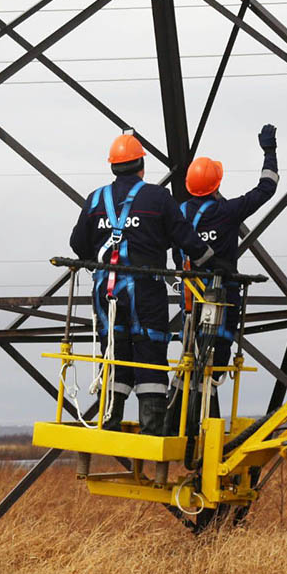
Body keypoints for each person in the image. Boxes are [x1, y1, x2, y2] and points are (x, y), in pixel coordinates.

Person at [70, 130, 216, 435]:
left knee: (113, 349)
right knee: (149, 352)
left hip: (105, 291)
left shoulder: (95, 199)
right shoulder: (158, 198)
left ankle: (109, 421)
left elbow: (78, 244)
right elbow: (186, 239)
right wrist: (209, 261)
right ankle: (152, 429)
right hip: (146, 290)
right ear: (141, 165)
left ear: (112, 167)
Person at [174, 123, 279, 416]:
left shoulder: (179, 214)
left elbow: (174, 254)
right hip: (223, 299)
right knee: (216, 361)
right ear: (215, 185)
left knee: (190, 356)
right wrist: (269, 152)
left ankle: (187, 414)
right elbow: (266, 188)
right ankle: (208, 401)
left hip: (190, 302)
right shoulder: (226, 212)